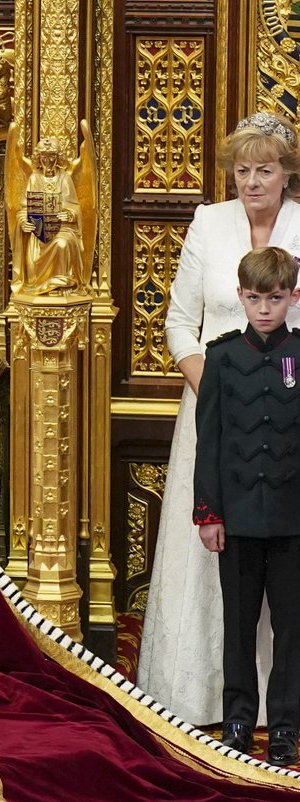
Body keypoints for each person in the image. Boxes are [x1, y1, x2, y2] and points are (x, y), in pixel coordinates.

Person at [139, 111, 300, 727]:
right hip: (213, 408)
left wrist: (270, 383)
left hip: (286, 413)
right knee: (218, 549)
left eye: (264, 170)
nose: (251, 182)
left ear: (285, 173)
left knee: (285, 563)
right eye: (242, 170)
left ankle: (281, 705)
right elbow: (180, 321)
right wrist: (220, 388)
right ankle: (209, 698)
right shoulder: (209, 222)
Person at [193, 246, 300, 766]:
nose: (264, 309)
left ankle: (284, 727)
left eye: (275, 299)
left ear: (292, 298)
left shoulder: (299, 356)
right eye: (255, 298)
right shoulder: (221, 357)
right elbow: (208, 439)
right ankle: (237, 720)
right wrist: (209, 513)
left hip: (292, 520)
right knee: (238, 626)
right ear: (241, 297)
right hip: (235, 517)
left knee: (292, 628)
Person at [16, 136, 87, 292]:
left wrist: (70, 215)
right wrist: (23, 222)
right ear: (38, 158)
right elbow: (24, 209)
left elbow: (75, 207)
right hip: (40, 231)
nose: (47, 161)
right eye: (44, 157)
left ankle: (61, 283)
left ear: (58, 157)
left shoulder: (64, 178)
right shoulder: (34, 178)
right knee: (34, 254)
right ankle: (39, 284)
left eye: (52, 156)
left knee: (62, 244)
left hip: (63, 229)